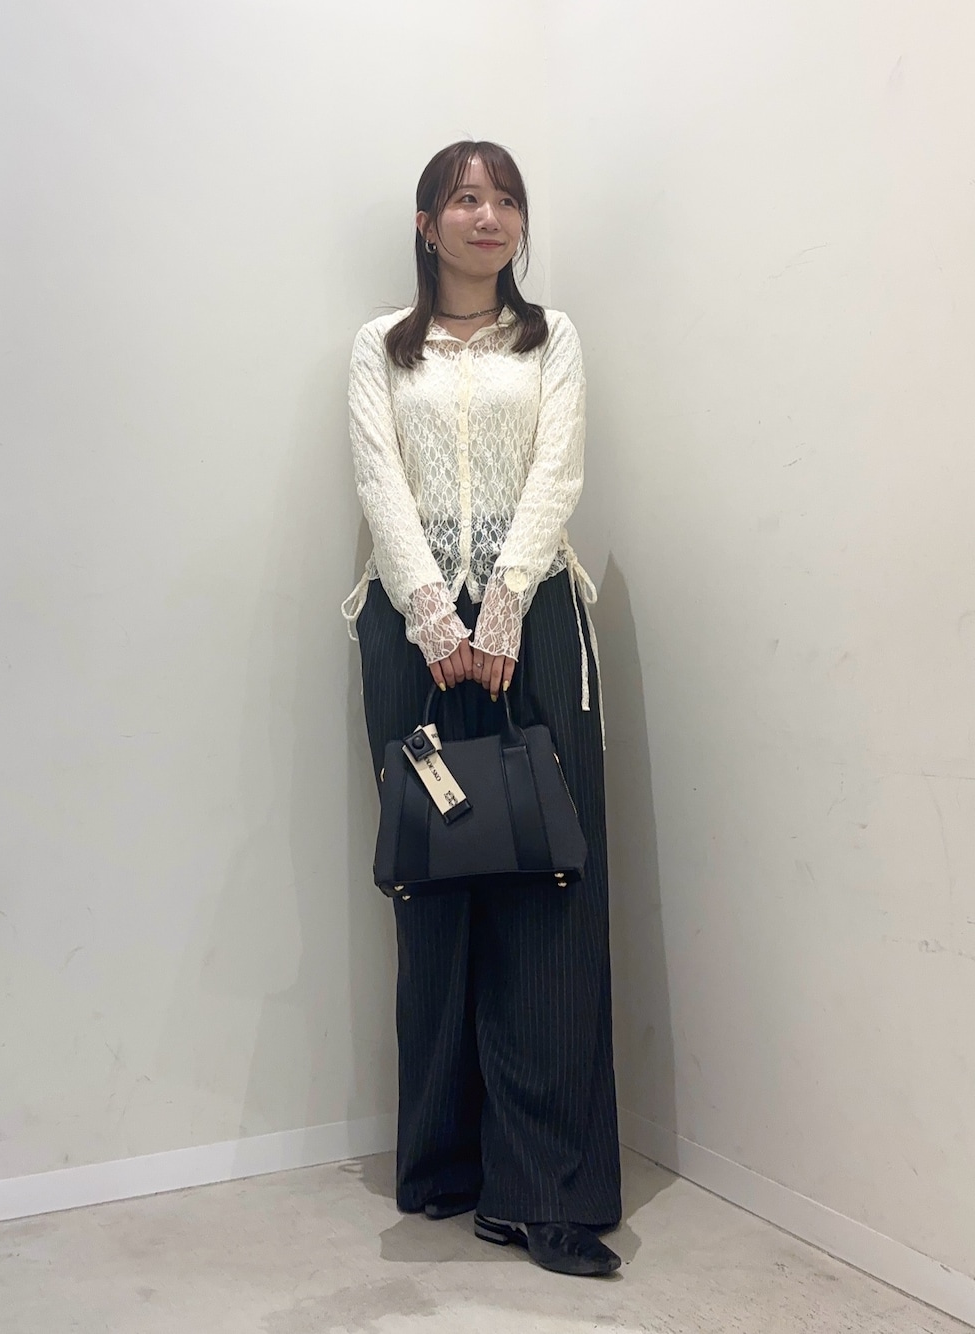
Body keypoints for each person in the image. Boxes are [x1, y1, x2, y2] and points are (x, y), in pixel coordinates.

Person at [342, 140, 622, 1277]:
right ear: (427, 223)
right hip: (409, 630)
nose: (488, 215)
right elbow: (378, 478)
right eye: (465, 198)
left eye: (506, 198)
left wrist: (502, 606)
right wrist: (431, 613)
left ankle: (545, 1191)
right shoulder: (379, 345)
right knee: (435, 885)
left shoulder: (553, 338)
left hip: (534, 622)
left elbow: (559, 471)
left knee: (548, 890)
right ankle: (448, 1163)